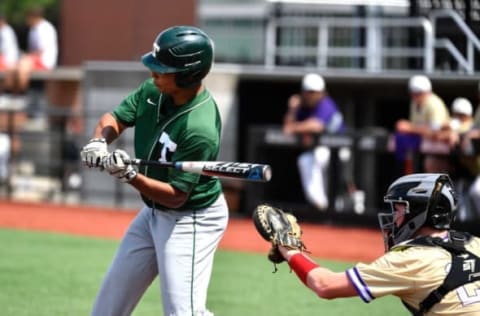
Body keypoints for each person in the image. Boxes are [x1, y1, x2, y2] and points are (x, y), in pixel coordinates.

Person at [80, 25, 229, 316]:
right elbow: (115, 118)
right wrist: (99, 142)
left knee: (182, 313)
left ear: (187, 75)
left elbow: (176, 196)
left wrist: (129, 175)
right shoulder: (153, 90)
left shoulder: (199, 128)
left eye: (162, 69)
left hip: (191, 219)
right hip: (152, 213)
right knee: (106, 309)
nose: (153, 74)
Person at [269, 173, 480, 314]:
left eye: (398, 209)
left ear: (418, 212)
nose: (394, 218)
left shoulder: (408, 259)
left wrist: (288, 247)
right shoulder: (475, 243)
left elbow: (325, 285)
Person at [283, 73, 363, 212]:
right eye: (309, 92)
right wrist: (292, 109)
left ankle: (355, 206)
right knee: (305, 160)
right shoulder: (302, 106)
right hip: (320, 149)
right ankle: (320, 205)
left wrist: (295, 128)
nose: (311, 95)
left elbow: (316, 125)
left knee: (342, 178)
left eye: (315, 92)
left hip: (341, 147)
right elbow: (287, 127)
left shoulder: (326, 103)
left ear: (322, 92)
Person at [2, 6, 58, 111]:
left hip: (45, 61)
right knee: (12, 67)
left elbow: (41, 50)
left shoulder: (44, 28)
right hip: (36, 59)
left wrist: (27, 58)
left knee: (24, 65)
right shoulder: (33, 29)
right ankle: (9, 94)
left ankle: (22, 95)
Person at [395, 75, 450, 174]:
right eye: (414, 93)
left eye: (418, 93)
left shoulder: (434, 104)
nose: (415, 96)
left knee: (431, 164)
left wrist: (409, 128)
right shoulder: (414, 103)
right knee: (401, 141)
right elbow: (417, 126)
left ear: (426, 92)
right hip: (424, 143)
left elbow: (435, 132)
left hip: (439, 145)